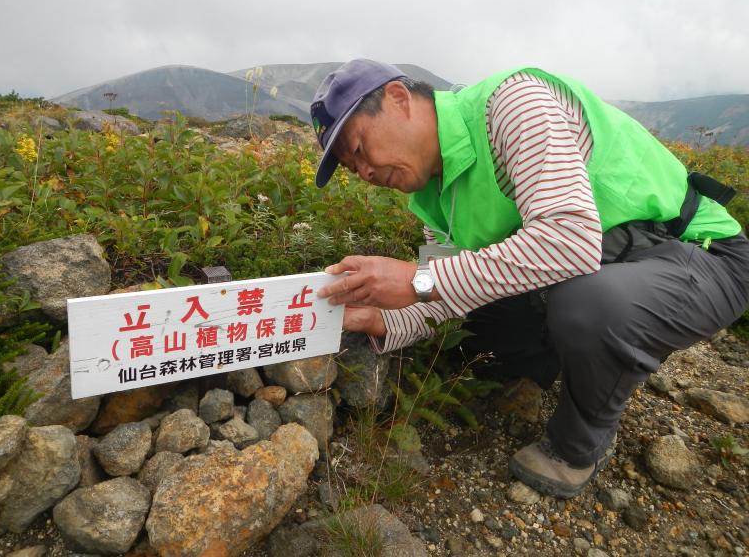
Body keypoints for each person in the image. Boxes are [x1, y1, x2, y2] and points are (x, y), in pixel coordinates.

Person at [310, 58, 749, 499]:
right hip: (610, 266)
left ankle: (579, 446)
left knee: (587, 307)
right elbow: (448, 293)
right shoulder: (433, 194)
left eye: (361, 149)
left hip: (702, 256)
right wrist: (382, 321)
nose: (365, 173)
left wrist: (415, 280)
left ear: (399, 99)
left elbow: (569, 240)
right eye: (352, 168)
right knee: (476, 325)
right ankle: (576, 358)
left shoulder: (512, 105)